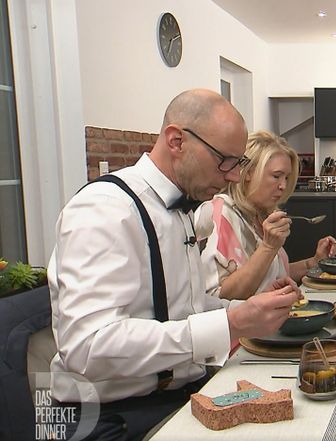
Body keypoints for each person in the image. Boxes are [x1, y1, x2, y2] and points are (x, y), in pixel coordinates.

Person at [48, 89, 304, 440]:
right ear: (176, 141)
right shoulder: (105, 210)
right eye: (224, 161)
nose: (232, 177)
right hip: (111, 419)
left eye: (238, 164)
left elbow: (179, 306)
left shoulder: (180, 209)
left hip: (179, 395)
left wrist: (250, 310)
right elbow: (88, 347)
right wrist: (229, 323)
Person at [194, 130, 336, 300]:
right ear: (247, 172)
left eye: (286, 178)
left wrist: (313, 263)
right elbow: (218, 297)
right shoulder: (220, 214)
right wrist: (268, 247)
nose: (283, 186)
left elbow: (269, 276)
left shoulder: (260, 215)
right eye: (276, 176)